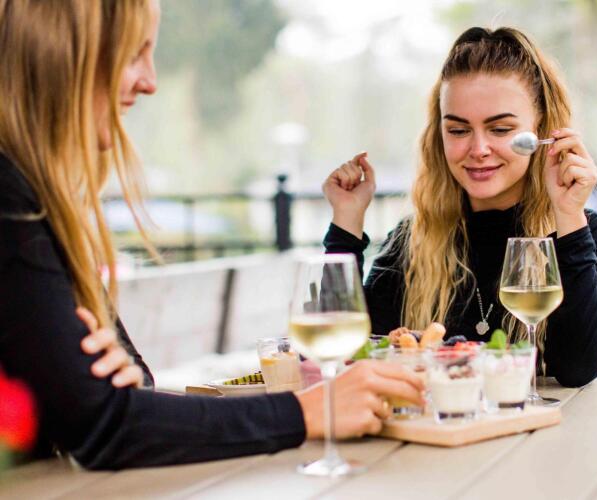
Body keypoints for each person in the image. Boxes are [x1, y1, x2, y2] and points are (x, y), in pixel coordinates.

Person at [0, 0, 424, 470]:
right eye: (134, 54)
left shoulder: (39, 203)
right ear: (66, 54)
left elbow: (124, 391)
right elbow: (105, 423)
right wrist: (308, 412)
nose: (150, 81)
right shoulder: (12, 203)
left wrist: (103, 397)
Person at [322, 26, 597, 388]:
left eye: (500, 129)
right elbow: (342, 351)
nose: (478, 150)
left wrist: (568, 212)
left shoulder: (585, 232)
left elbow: (579, 367)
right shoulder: (412, 240)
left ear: (541, 131)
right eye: (459, 131)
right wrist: (347, 221)